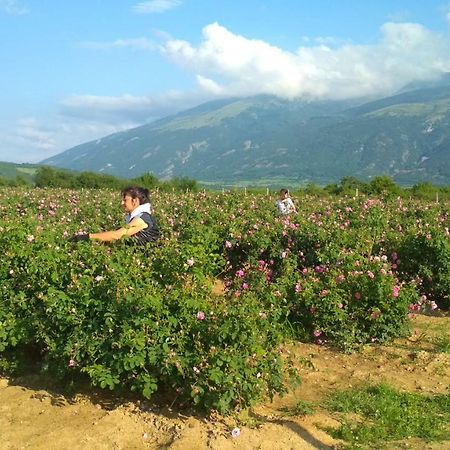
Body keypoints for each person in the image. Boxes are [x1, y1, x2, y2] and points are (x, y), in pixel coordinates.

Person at [72, 186, 160, 244]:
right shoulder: (136, 217)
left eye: (125, 200)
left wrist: (87, 237)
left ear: (135, 201)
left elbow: (117, 235)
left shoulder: (141, 219)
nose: (122, 203)